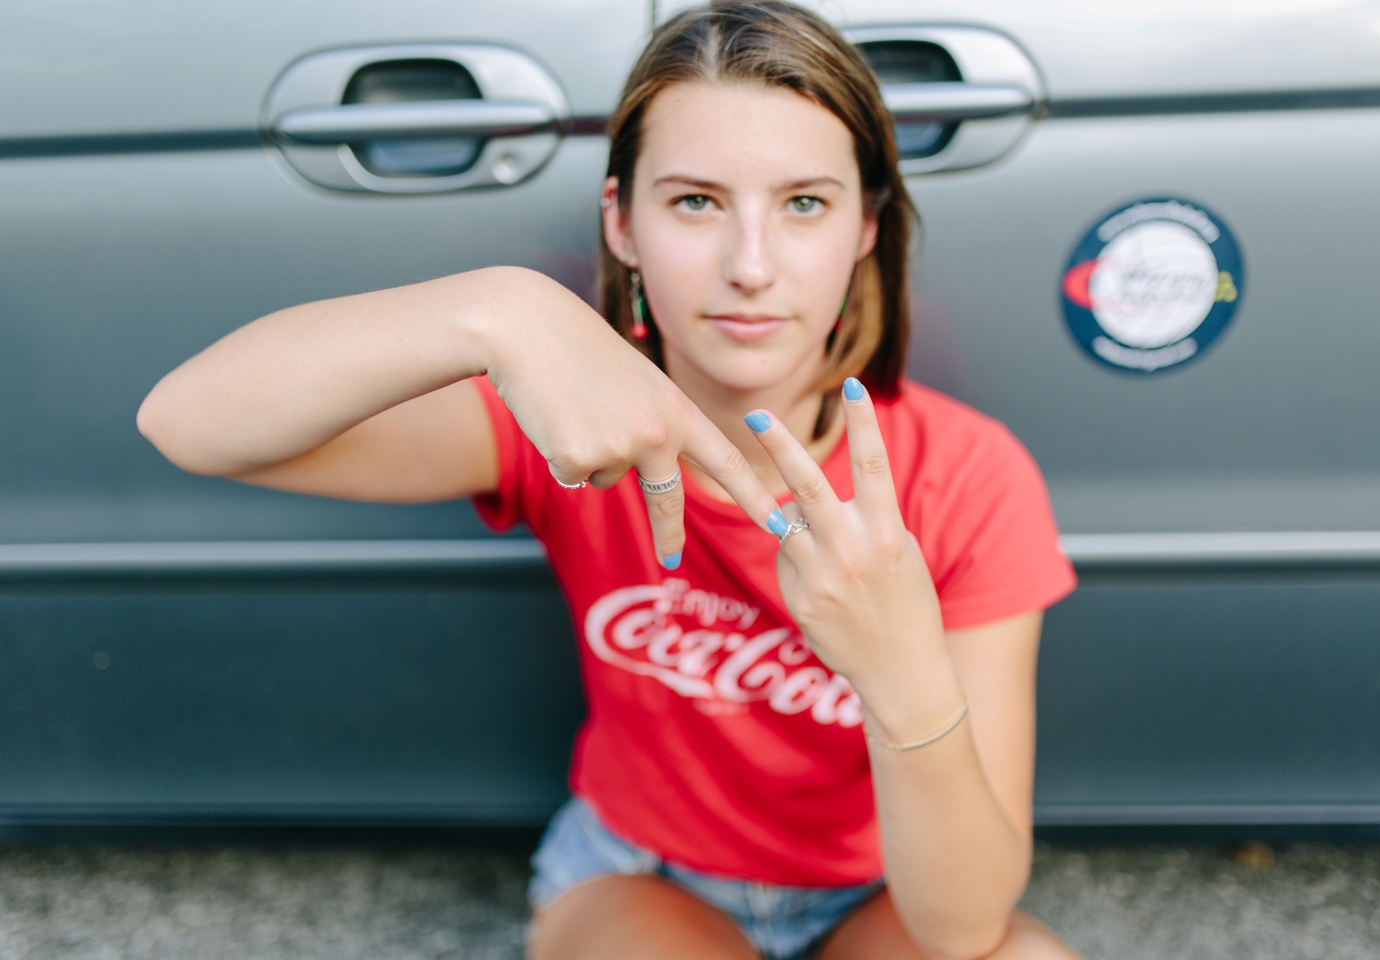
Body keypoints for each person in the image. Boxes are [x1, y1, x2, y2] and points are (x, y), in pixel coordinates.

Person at [138, 3, 1081, 957]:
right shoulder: (564, 426)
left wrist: (902, 672)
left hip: (888, 877)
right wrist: (494, 310)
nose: (750, 266)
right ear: (620, 222)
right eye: (695, 202)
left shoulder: (967, 475)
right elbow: (190, 424)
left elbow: (960, 925)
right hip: (642, 874)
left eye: (804, 203)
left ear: (865, 230)